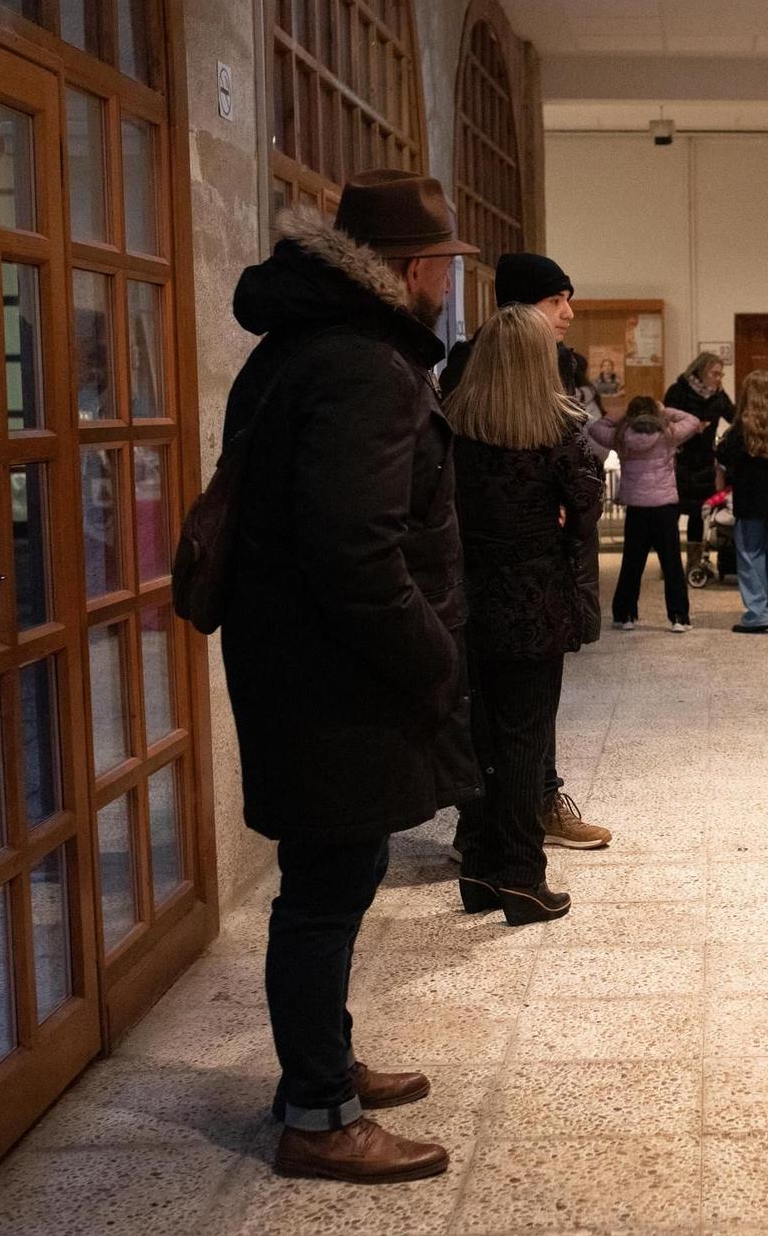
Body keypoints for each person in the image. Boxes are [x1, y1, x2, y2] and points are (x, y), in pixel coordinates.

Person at [222, 169, 478, 1183]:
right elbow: (354, 552)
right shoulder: (365, 366)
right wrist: (435, 656)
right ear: (413, 269)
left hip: (306, 667)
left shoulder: (304, 347)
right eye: (444, 266)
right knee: (325, 891)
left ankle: (322, 1066)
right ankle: (319, 1113)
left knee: (335, 877)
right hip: (334, 679)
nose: (447, 285)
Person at [444, 256, 610, 856]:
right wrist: (550, 509)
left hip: (491, 577)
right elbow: (581, 491)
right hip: (514, 579)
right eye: (556, 300)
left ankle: (502, 831)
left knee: (504, 714)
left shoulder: (472, 395)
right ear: (518, 310)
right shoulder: (475, 373)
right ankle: (510, 850)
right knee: (513, 718)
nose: (567, 313)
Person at [590, 396, 703, 631]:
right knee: (671, 564)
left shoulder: (622, 436)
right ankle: (679, 617)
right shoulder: (668, 435)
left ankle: (625, 615)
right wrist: (664, 411)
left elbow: (595, 428)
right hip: (664, 507)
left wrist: (620, 415)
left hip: (636, 507)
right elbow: (693, 421)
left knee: (632, 562)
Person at [717, 369, 768, 635]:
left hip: (751, 500)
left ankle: (757, 614)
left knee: (750, 556)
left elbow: (723, 455)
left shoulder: (741, 428)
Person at [664, 351, 735, 576]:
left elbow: (734, 417)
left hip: (704, 462)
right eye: (714, 373)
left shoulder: (719, 396)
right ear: (701, 371)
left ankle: (693, 564)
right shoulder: (678, 391)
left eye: (721, 374)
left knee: (698, 514)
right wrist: (692, 428)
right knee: (672, 514)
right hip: (679, 460)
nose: (718, 378)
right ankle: (669, 563)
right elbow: (665, 422)